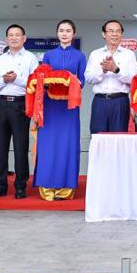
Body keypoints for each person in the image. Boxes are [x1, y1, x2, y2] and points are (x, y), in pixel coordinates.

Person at [33, 19, 87, 201]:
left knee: (68, 144)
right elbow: (43, 76)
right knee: (48, 144)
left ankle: (66, 188)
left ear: (73, 33)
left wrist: (69, 80)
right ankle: (47, 186)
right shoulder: (48, 55)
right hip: (50, 106)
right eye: (61, 31)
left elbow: (82, 82)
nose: (64, 34)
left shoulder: (80, 57)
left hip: (69, 108)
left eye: (68, 31)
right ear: (57, 34)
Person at [0, 24, 39, 200]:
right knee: (0, 148)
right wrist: (4, 79)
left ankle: (20, 186)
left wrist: (16, 79)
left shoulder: (31, 58)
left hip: (20, 105)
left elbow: (35, 84)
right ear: (6, 39)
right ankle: (0, 186)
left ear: (24, 38)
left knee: (20, 147)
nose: (14, 38)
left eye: (18, 35)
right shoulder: (0, 60)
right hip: (1, 106)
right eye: (11, 35)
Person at [85, 20, 137, 133]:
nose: (114, 34)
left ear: (121, 35)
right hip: (100, 102)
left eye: (118, 31)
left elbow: (134, 79)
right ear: (104, 34)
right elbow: (88, 78)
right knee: (98, 137)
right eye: (111, 31)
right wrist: (103, 70)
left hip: (120, 101)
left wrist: (116, 70)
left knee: (119, 139)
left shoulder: (129, 55)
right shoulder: (95, 54)